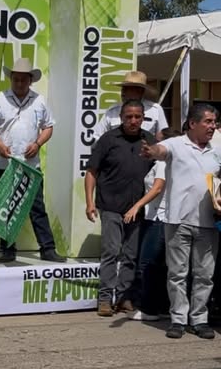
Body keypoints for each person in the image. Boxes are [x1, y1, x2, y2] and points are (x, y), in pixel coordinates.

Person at [141, 103, 221, 340]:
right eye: (208, 122)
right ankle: (178, 319)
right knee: (177, 273)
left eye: (214, 122)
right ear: (192, 123)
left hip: (208, 222)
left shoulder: (217, 150)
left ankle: (199, 319)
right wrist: (150, 151)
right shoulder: (176, 144)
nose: (212, 126)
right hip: (178, 220)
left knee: (204, 275)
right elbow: (159, 150)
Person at [0, 58, 66, 263]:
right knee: (7, 208)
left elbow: (49, 127)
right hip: (6, 164)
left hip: (31, 165)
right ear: (11, 79)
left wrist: (38, 144)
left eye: (23, 80)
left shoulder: (39, 100)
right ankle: (8, 249)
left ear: (30, 80)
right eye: (16, 79)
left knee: (37, 207)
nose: (19, 83)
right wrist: (0, 146)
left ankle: (47, 249)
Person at [84, 100, 155, 317]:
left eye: (138, 117)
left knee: (130, 256)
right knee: (111, 252)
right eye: (129, 117)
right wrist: (89, 202)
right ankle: (105, 299)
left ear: (143, 118)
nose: (133, 121)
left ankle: (124, 298)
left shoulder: (149, 141)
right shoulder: (108, 139)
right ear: (121, 117)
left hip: (137, 209)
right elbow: (91, 172)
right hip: (111, 205)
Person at [125, 128, 180, 322]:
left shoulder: (163, 164)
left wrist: (137, 205)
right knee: (162, 265)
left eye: (157, 142)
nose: (153, 145)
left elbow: (157, 188)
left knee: (148, 264)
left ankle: (148, 308)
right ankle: (163, 306)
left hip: (159, 218)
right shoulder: (164, 163)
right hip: (157, 217)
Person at [93, 71, 168, 141]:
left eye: (127, 89)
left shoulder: (155, 110)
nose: (123, 92)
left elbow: (163, 138)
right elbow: (97, 136)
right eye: (122, 89)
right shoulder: (113, 110)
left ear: (140, 91)